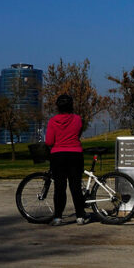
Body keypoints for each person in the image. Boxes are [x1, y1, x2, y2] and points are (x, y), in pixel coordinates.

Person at [44, 94, 89, 226]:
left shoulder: (52, 121)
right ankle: (80, 216)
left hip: (58, 155)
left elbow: (49, 141)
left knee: (59, 187)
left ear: (57, 106)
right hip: (75, 154)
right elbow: (78, 133)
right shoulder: (77, 119)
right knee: (75, 186)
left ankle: (58, 217)